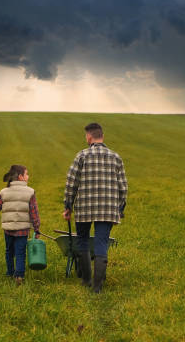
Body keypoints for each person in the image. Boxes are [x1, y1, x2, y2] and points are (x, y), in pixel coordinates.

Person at [63, 123, 127, 293]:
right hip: (107, 209)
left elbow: (71, 183)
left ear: (89, 137)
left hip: (84, 207)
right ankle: (97, 287)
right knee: (101, 243)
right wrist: (120, 209)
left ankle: (86, 281)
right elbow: (123, 187)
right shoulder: (115, 157)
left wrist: (68, 205)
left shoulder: (81, 156)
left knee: (82, 240)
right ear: (102, 137)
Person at [0, 165, 41, 285]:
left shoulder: (4, 192)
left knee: (9, 250)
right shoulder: (30, 192)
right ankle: (19, 275)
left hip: (8, 229)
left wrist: (4, 196)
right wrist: (37, 228)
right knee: (20, 252)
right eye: (26, 174)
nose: (28, 176)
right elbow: (34, 212)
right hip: (22, 230)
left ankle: (10, 272)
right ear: (20, 177)